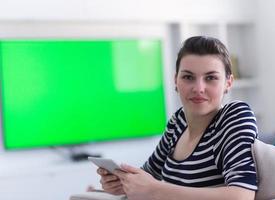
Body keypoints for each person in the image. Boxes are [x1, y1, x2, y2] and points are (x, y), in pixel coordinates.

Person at [97, 36, 258, 200]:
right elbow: (148, 176)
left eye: (211, 78)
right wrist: (123, 183)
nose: (199, 88)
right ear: (176, 80)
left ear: (228, 83)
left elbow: (242, 195)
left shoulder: (235, 116)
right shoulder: (178, 121)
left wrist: (155, 190)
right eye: (188, 77)